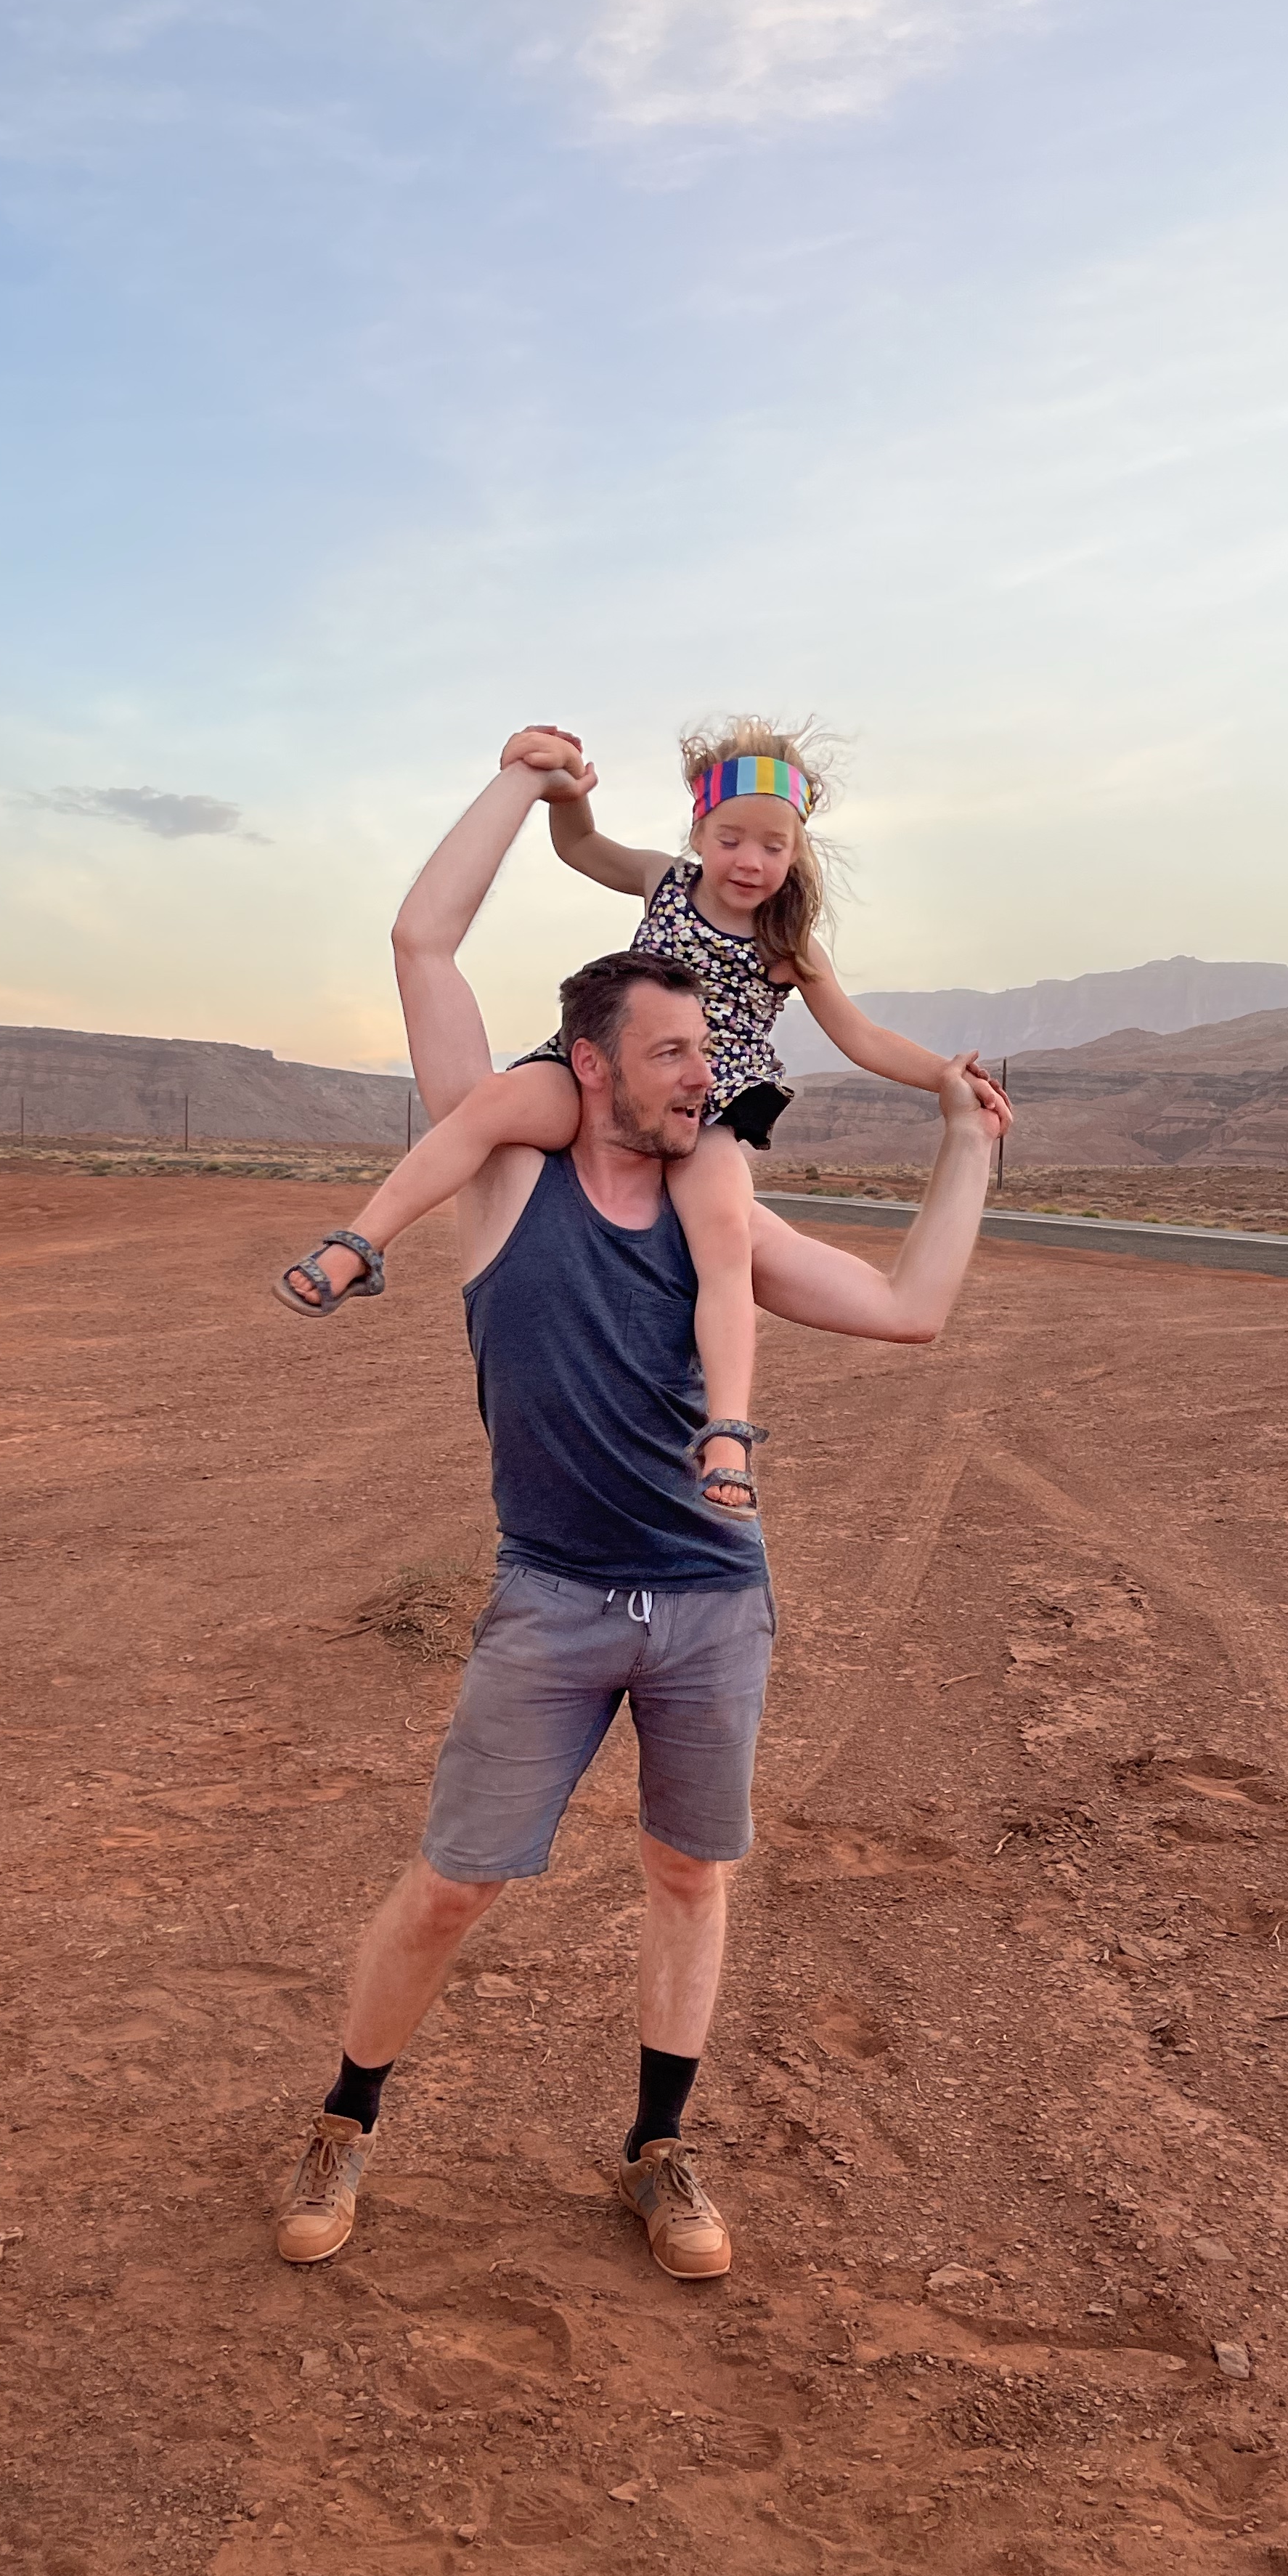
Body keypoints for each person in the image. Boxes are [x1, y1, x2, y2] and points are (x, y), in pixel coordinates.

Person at [272, 733, 1011, 2283]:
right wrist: (523, 783)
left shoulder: (720, 1212)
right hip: (552, 1595)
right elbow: (423, 941)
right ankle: (344, 2119)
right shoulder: (499, 1160)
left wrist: (962, 1142)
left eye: (709, 1057)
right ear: (591, 1063)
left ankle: (659, 2149)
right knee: (455, 1884)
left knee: (689, 1873)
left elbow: (908, 1311)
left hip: (711, 1593)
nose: (708, 1079)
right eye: (674, 1054)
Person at [272, 720, 1005, 1516]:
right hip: (592, 1074)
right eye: (730, 839)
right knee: (488, 1107)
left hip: (716, 1110)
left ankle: (728, 1430)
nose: (749, 862)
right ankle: (361, 1243)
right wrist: (559, 791)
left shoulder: (786, 941)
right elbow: (578, 849)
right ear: (698, 832)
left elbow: (859, 1037)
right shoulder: (663, 883)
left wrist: (945, 1085)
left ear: (796, 852)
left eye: (773, 847)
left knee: (723, 1237)